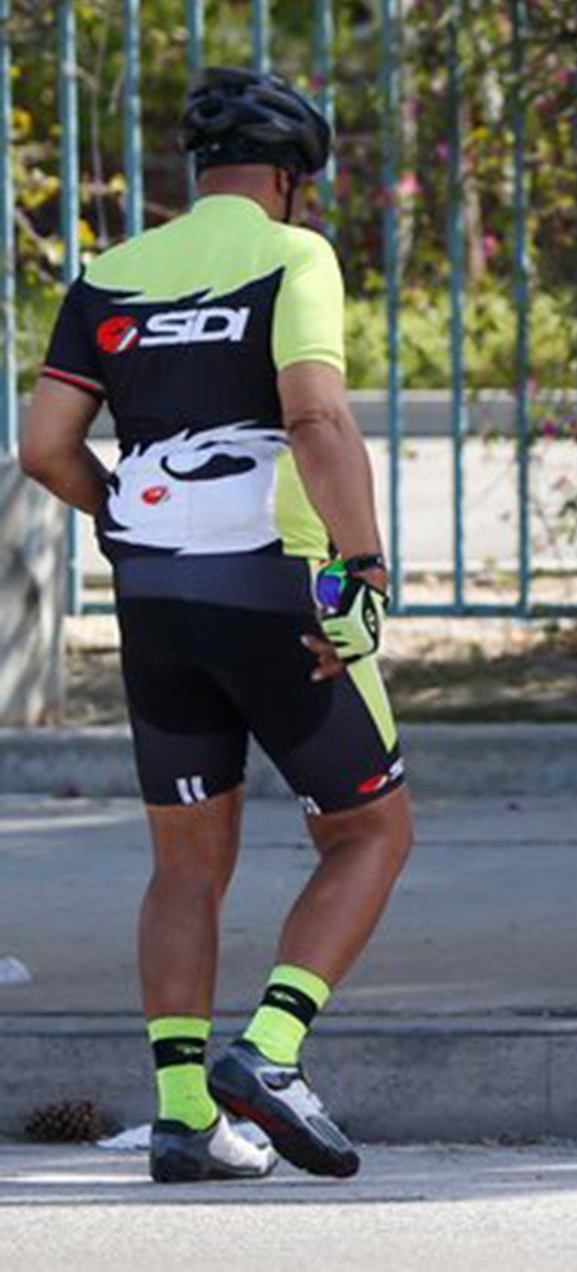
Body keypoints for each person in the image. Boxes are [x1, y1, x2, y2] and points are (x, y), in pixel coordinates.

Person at [19, 68, 412, 1184]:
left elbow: (46, 447)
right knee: (370, 831)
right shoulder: (294, 257)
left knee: (184, 865)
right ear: (290, 181)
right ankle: (273, 1054)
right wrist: (362, 562)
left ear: (199, 175)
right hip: (277, 587)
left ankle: (186, 1115)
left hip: (156, 599)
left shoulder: (112, 272)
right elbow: (317, 415)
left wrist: (122, 518)